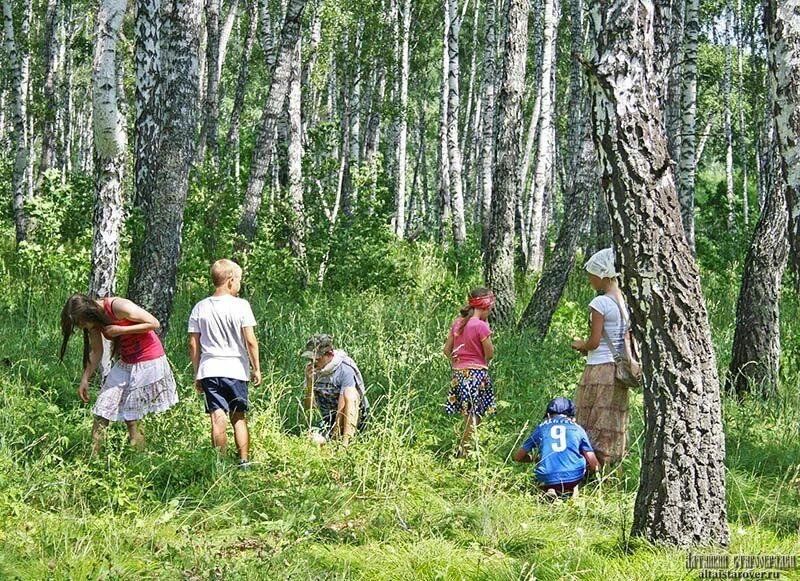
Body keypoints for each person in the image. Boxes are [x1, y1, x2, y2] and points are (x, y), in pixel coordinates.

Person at [60, 294, 178, 454]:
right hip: (127, 362)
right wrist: (85, 378)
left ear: (89, 312)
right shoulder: (95, 323)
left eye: (81, 323)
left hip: (148, 360)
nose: (83, 328)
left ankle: (140, 460)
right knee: (102, 410)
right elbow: (97, 351)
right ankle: (92, 461)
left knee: (132, 417)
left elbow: (153, 323)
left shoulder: (118, 306)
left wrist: (121, 329)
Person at [188, 259, 261, 469]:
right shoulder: (241, 306)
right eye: (239, 280)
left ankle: (220, 464)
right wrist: (256, 368)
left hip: (210, 369)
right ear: (230, 281)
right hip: (236, 370)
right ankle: (243, 461)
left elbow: (193, 343)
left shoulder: (200, 307)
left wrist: (197, 372)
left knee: (217, 416)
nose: (239, 284)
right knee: (238, 417)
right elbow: (250, 340)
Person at [569, 247, 631, 466]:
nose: (589, 279)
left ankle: (589, 467)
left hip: (598, 367)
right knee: (612, 420)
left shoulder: (600, 303)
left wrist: (579, 345)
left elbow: (594, 343)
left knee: (591, 419)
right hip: (618, 369)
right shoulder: (625, 303)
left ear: (602, 275)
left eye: (592, 274)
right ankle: (613, 468)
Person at [443, 287, 496, 457]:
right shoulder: (481, 326)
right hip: (477, 374)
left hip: (458, 373)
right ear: (486, 306)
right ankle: (465, 451)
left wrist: (457, 362)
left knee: (468, 414)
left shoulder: (458, 323)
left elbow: (446, 350)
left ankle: (467, 447)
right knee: (474, 414)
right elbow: (490, 353)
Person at [513, 397, 599, 499]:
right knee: (581, 458)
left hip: (547, 476)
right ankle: (573, 490)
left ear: (548, 415)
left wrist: (534, 459)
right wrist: (599, 475)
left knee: (545, 468)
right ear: (571, 416)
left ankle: (550, 488)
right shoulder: (577, 428)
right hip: (573, 476)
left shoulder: (541, 427)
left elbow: (518, 456)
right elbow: (594, 464)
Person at [302, 334, 368, 446]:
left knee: (349, 393)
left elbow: (344, 406)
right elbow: (310, 410)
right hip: (327, 420)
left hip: (349, 419)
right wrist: (309, 384)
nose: (313, 362)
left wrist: (336, 435)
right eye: (310, 359)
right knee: (311, 440)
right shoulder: (313, 371)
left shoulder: (345, 369)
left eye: (317, 358)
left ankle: (346, 444)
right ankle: (329, 443)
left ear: (329, 354)